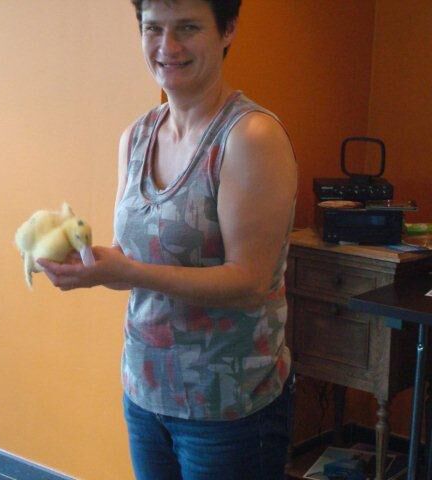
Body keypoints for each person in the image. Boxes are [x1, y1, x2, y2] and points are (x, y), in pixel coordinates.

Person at [37, 0, 297, 478]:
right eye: (153, 28)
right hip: (145, 394)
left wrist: (130, 270)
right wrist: (93, 265)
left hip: (228, 410)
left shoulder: (250, 137)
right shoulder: (137, 137)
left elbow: (249, 282)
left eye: (188, 28)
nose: (167, 46)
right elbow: (131, 261)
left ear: (228, 30)